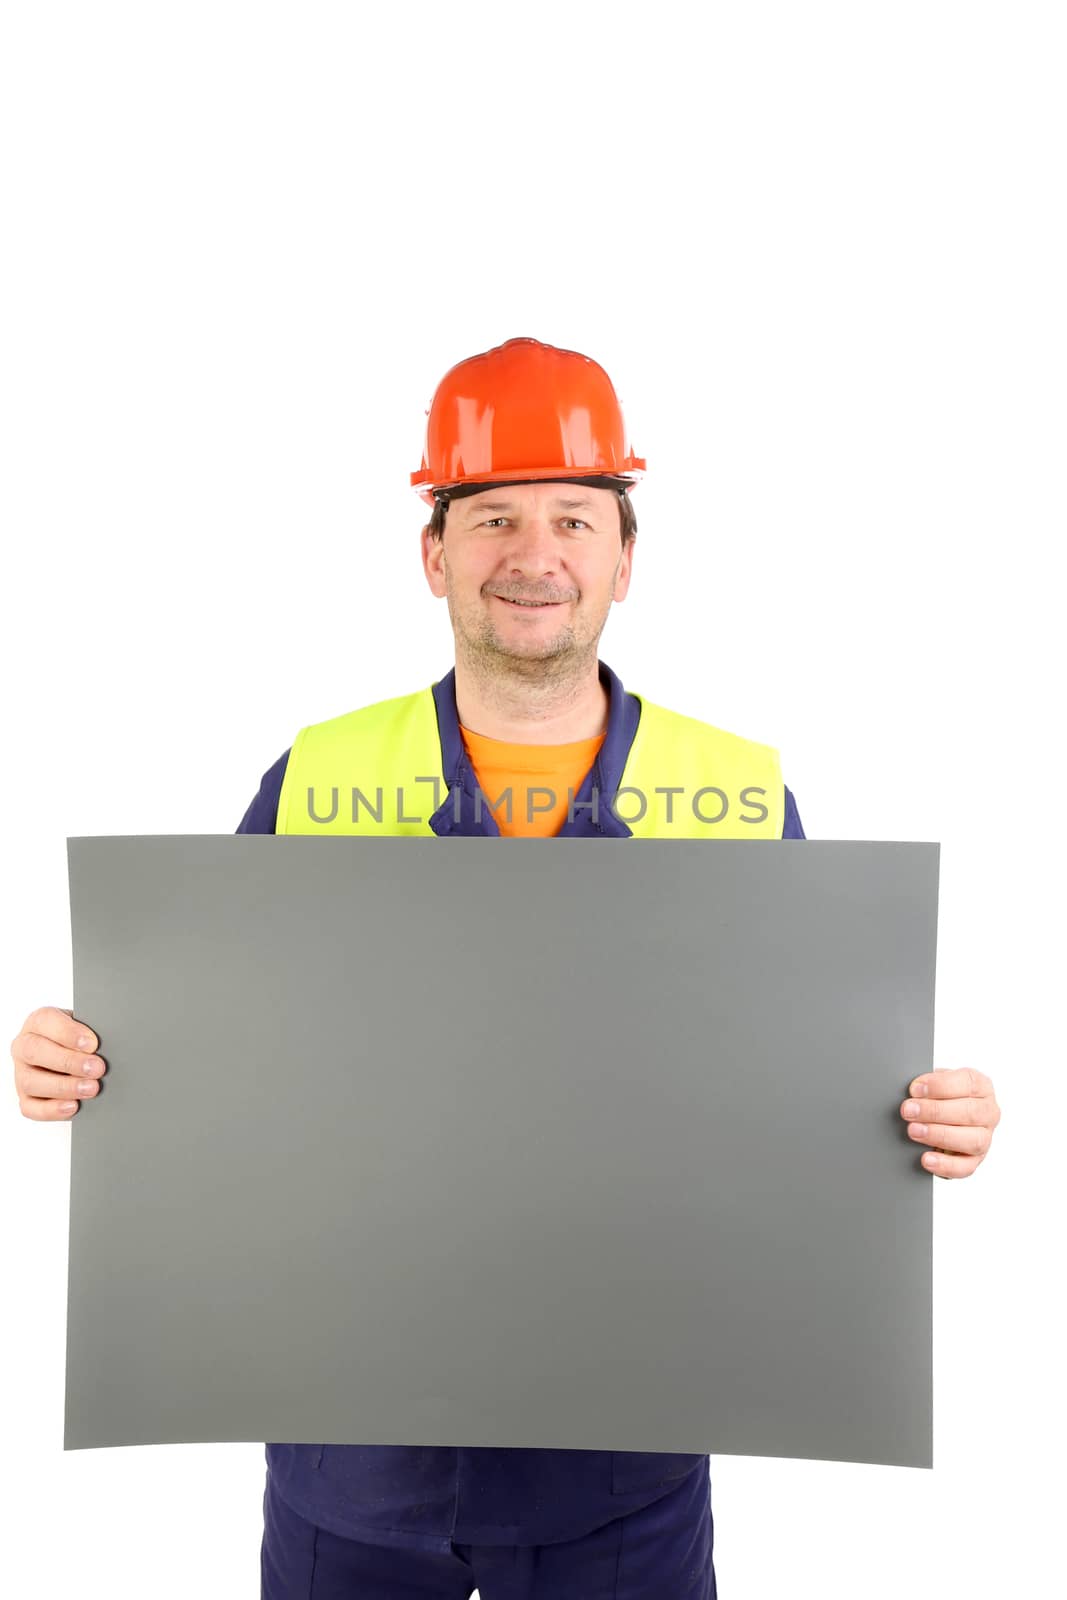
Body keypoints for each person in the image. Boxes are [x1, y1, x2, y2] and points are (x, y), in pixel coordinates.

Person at [12, 336, 1002, 1599]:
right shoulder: (318, 774)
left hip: (622, 1477)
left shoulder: (740, 792)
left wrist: (919, 1119)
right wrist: (84, 1063)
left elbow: (793, 1102)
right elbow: (223, 1067)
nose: (534, 556)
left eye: (574, 519)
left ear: (624, 558)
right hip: (349, 1465)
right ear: (433, 553)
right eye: (491, 517)